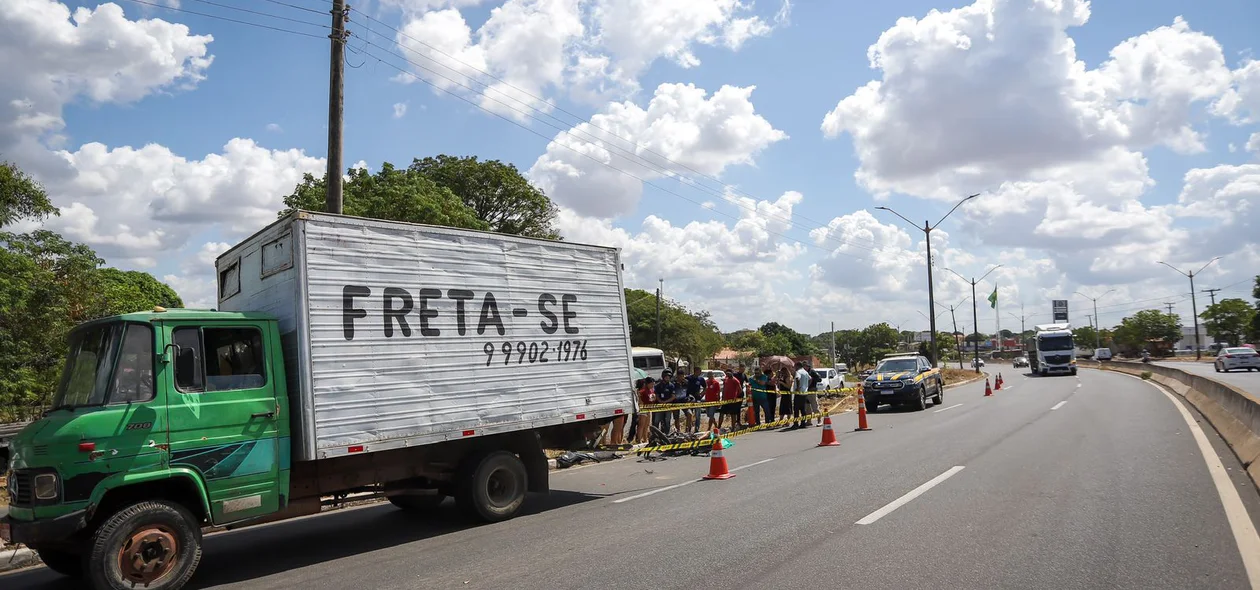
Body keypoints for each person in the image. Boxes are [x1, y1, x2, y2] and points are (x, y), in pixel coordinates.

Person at [653, 370, 681, 434]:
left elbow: (673, 396)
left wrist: (665, 402)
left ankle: (667, 433)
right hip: (659, 406)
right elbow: (656, 395)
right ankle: (655, 434)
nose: (668, 378)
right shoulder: (658, 385)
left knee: (667, 420)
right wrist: (660, 401)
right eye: (666, 377)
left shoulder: (671, 386)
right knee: (656, 420)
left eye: (669, 377)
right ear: (663, 377)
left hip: (668, 405)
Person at [686, 367, 706, 433]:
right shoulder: (689, 378)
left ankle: (697, 429)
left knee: (698, 415)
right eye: (699, 371)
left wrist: (701, 394)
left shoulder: (701, 379)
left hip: (697, 399)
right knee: (689, 414)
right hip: (689, 399)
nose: (700, 372)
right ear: (695, 371)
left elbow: (705, 387)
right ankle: (688, 429)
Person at [792, 362, 811, 429]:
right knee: (803, 409)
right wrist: (806, 386)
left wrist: (798, 387)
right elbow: (810, 379)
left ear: (797, 366)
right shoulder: (805, 372)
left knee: (796, 409)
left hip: (799, 393)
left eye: (795, 366)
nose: (794, 368)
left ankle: (796, 424)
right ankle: (803, 423)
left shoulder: (798, 372)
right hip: (805, 393)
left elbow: (797, 378)